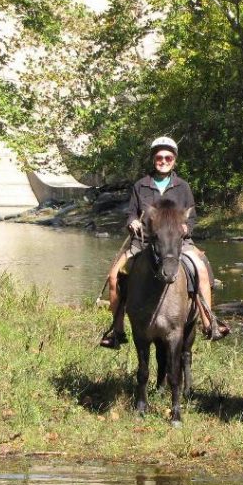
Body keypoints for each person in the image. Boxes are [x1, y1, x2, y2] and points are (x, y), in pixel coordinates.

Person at [99, 136, 229, 348]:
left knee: (202, 271)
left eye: (168, 157)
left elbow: (192, 217)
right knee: (114, 276)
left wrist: (187, 227)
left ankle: (208, 321)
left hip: (178, 244)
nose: (163, 160)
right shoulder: (140, 185)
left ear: (174, 160)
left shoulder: (182, 187)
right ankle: (117, 329)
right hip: (143, 242)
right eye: (159, 157)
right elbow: (131, 213)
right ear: (153, 159)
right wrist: (132, 222)